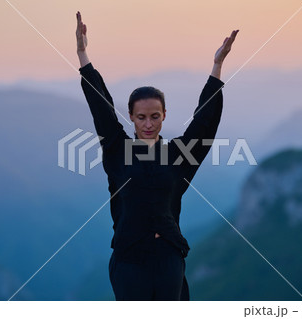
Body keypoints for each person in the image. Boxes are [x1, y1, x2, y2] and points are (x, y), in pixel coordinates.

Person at [75, 10, 239, 300]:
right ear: (131, 117)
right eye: (141, 117)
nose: (148, 124)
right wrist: (83, 55)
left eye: (154, 116)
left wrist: (217, 66)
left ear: (164, 116)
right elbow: (101, 107)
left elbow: (204, 122)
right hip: (128, 262)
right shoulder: (117, 150)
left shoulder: (179, 154)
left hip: (168, 261)